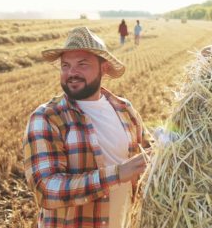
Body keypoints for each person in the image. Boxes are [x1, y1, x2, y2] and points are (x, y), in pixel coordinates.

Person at [23, 26, 151, 228]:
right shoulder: (47, 117)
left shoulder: (125, 109)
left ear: (104, 68)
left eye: (82, 64)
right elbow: (46, 189)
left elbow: (147, 156)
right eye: (65, 66)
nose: (71, 73)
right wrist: (117, 174)